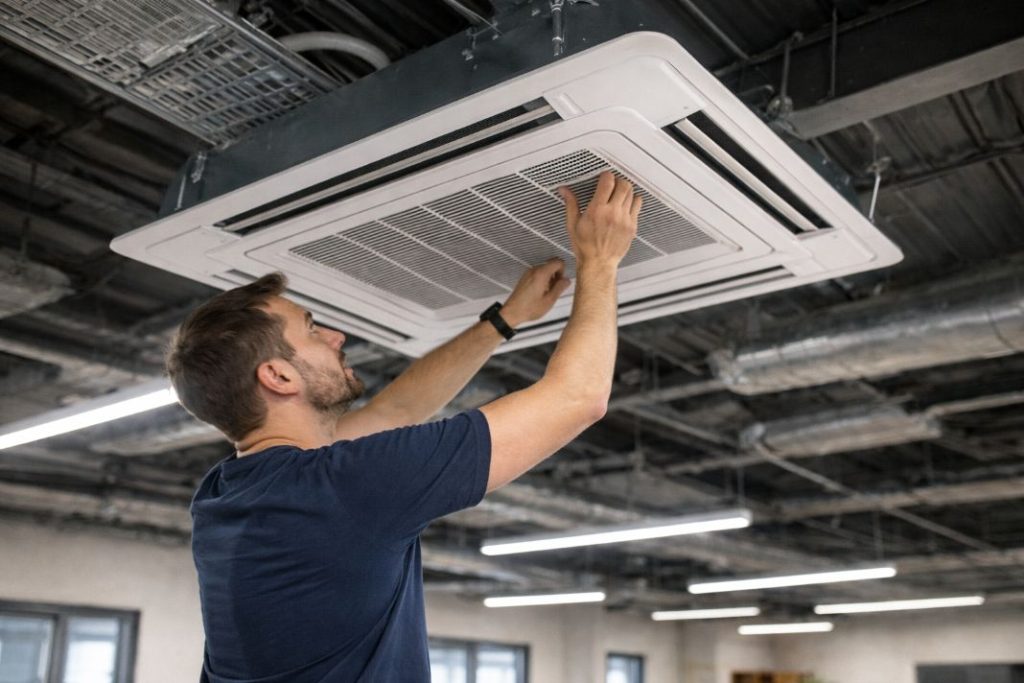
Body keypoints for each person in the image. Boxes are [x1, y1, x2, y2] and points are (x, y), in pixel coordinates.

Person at [166, 171, 641, 682]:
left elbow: (394, 413)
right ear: (279, 376)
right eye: (310, 329)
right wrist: (600, 261)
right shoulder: (339, 487)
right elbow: (578, 398)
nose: (334, 335)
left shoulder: (228, 493)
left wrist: (505, 320)